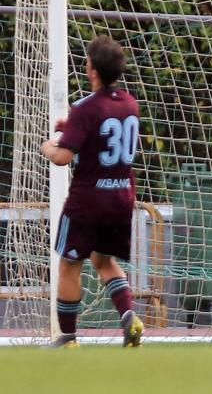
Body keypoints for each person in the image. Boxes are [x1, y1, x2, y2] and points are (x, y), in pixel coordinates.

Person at [41, 35, 144, 348]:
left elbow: (63, 157)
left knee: (69, 266)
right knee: (104, 261)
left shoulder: (84, 108)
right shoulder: (130, 103)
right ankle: (130, 318)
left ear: (93, 71)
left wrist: (47, 147)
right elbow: (100, 134)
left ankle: (69, 338)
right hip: (121, 197)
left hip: (88, 202)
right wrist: (72, 127)